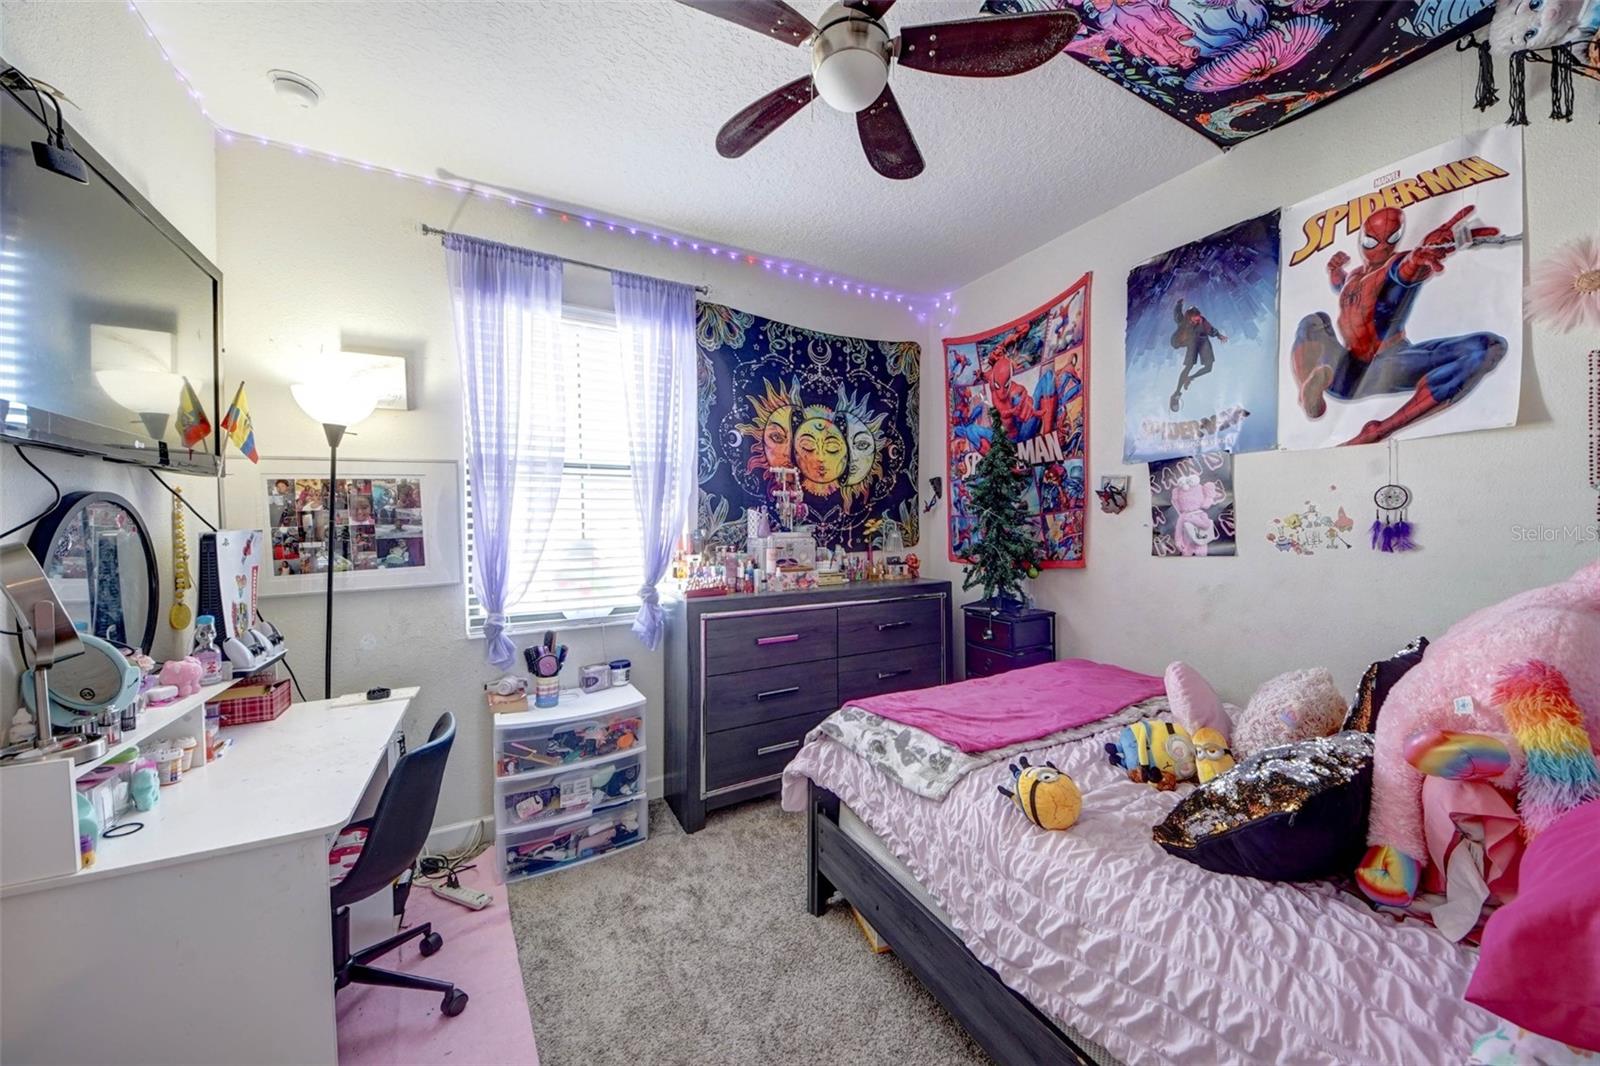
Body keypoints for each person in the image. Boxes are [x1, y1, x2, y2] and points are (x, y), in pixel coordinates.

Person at [1290, 205, 1507, 445]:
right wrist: (1335, 270)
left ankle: (1379, 430)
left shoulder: (1395, 266)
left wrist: (1418, 259)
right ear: (1362, 239)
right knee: (1314, 320)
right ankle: (1308, 393)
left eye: (1390, 239)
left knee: (1488, 346)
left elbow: (1403, 271)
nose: (1382, 247)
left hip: (1387, 366)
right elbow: (1343, 289)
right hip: (1345, 371)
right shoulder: (1354, 277)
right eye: (1373, 241)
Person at [1169, 297, 1227, 411]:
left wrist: (1219, 335)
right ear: (1189, 318)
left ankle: (1190, 378)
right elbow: (1177, 314)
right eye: (1195, 320)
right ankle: (1176, 394)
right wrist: (1179, 304)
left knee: (1208, 367)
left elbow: (1211, 329)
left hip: (1203, 340)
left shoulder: (1202, 321)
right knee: (1189, 366)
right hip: (1192, 342)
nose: (1197, 321)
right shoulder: (1183, 321)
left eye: (1198, 319)